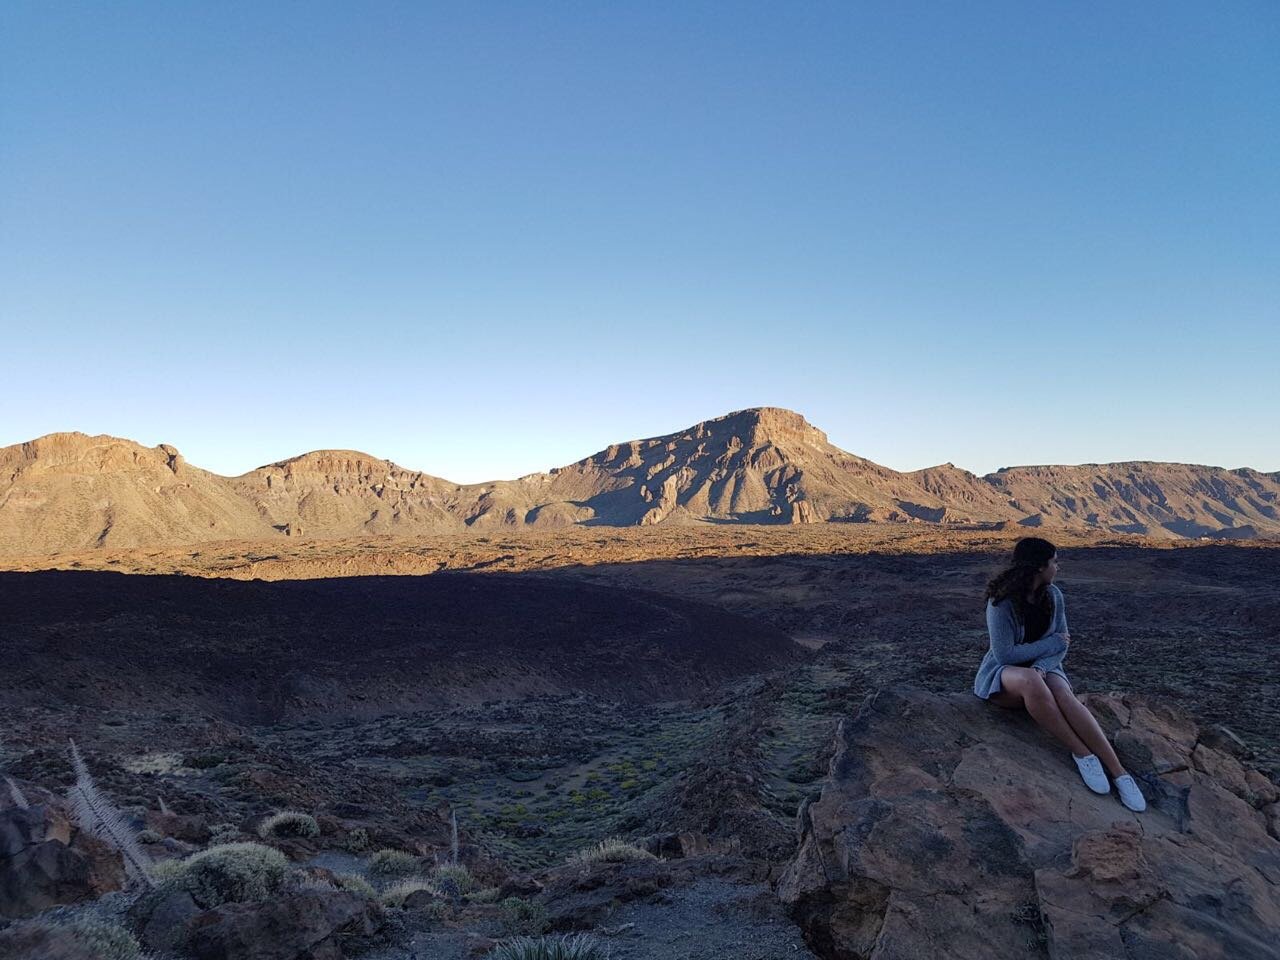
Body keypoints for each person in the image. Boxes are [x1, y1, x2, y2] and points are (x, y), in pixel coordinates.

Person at [973, 536, 1146, 812]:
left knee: (1064, 695)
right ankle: (1083, 753)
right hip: (1004, 677)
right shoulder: (1001, 603)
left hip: (1043, 667)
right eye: (1054, 562)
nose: (1058, 567)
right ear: (1039, 567)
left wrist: (1043, 664)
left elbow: (1062, 646)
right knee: (1031, 681)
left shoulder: (1053, 596)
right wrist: (1049, 646)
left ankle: (1120, 773)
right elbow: (1006, 654)